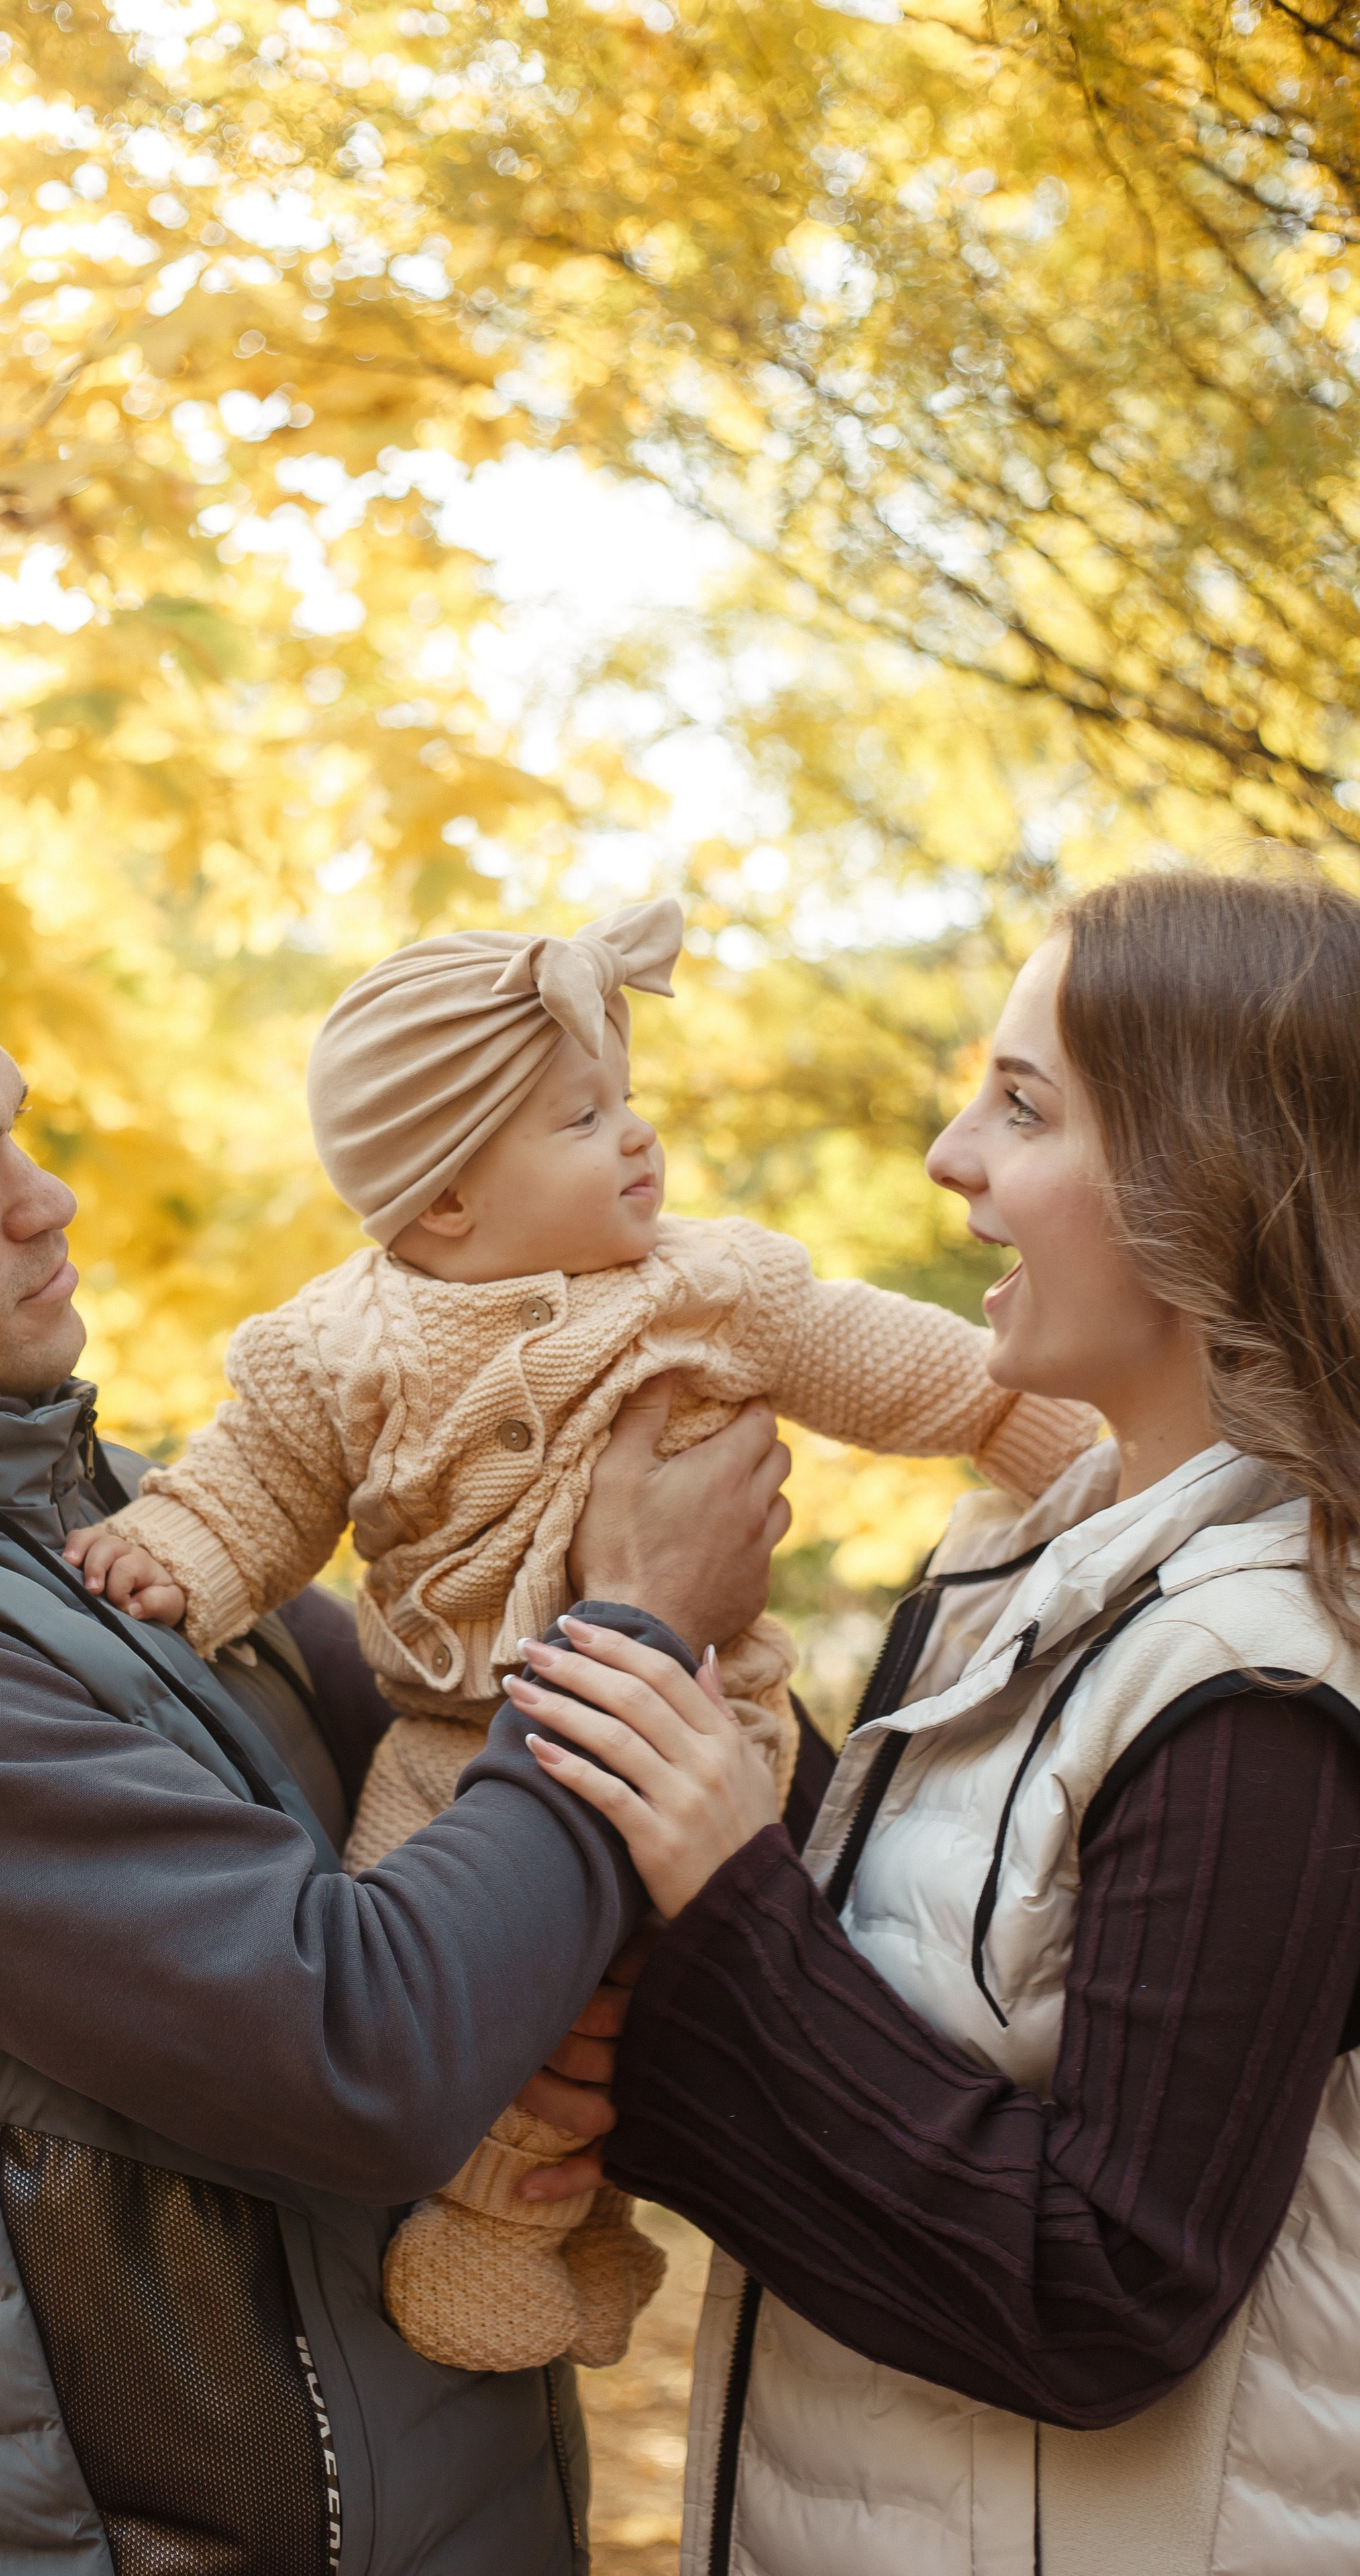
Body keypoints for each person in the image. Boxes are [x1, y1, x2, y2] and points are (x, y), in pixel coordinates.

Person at [0, 881, 795, 2576]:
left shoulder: (91, 1520)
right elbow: (368, 2049)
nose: (46, 1202)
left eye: (17, 1132)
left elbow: (448, 1764)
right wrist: (632, 1620)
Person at [60, 897, 1096, 2377]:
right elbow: (254, 1493)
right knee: (452, 1984)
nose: (635, 1137)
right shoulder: (333, 1349)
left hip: (702, 1740)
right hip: (455, 1753)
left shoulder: (707, 1288)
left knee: (677, 2001)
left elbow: (929, 1375)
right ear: (443, 1204)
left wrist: (1088, 1464)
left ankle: (598, 2206)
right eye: (579, 1119)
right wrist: (172, 1555)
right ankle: (500, 2227)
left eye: (623, 1098)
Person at [511, 869, 1360, 2576]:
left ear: (1201, 1182)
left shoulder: (1260, 1691)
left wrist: (722, 1899)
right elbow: (914, 1987)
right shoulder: (1022, 1574)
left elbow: (1100, 2292)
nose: (946, 1156)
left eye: (1022, 1106)